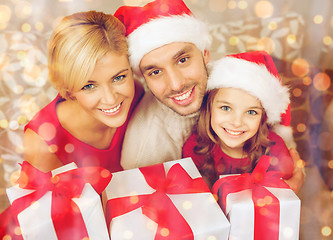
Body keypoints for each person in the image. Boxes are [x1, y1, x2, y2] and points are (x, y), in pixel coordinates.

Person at [115, 0, 304, 193]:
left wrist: (290, 174)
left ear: (205, 55)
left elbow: (280, 142)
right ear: (143, 77)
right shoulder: (144, 148)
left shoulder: (235, 81)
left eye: (182, 60)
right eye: (155, 72)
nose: (176, 84)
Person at [23, 11, 144, 173]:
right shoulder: (43, 143)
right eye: (89, 86)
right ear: (68, 89)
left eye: (119, 77)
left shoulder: (138, 95)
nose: (110, 99)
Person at [182, 51, 295, 188]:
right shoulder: (195, 147)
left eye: (251, 112)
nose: (236, 123)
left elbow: (284, 201)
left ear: (263, 118)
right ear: (209, 108)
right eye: (226, 108)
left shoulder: (275, 150)